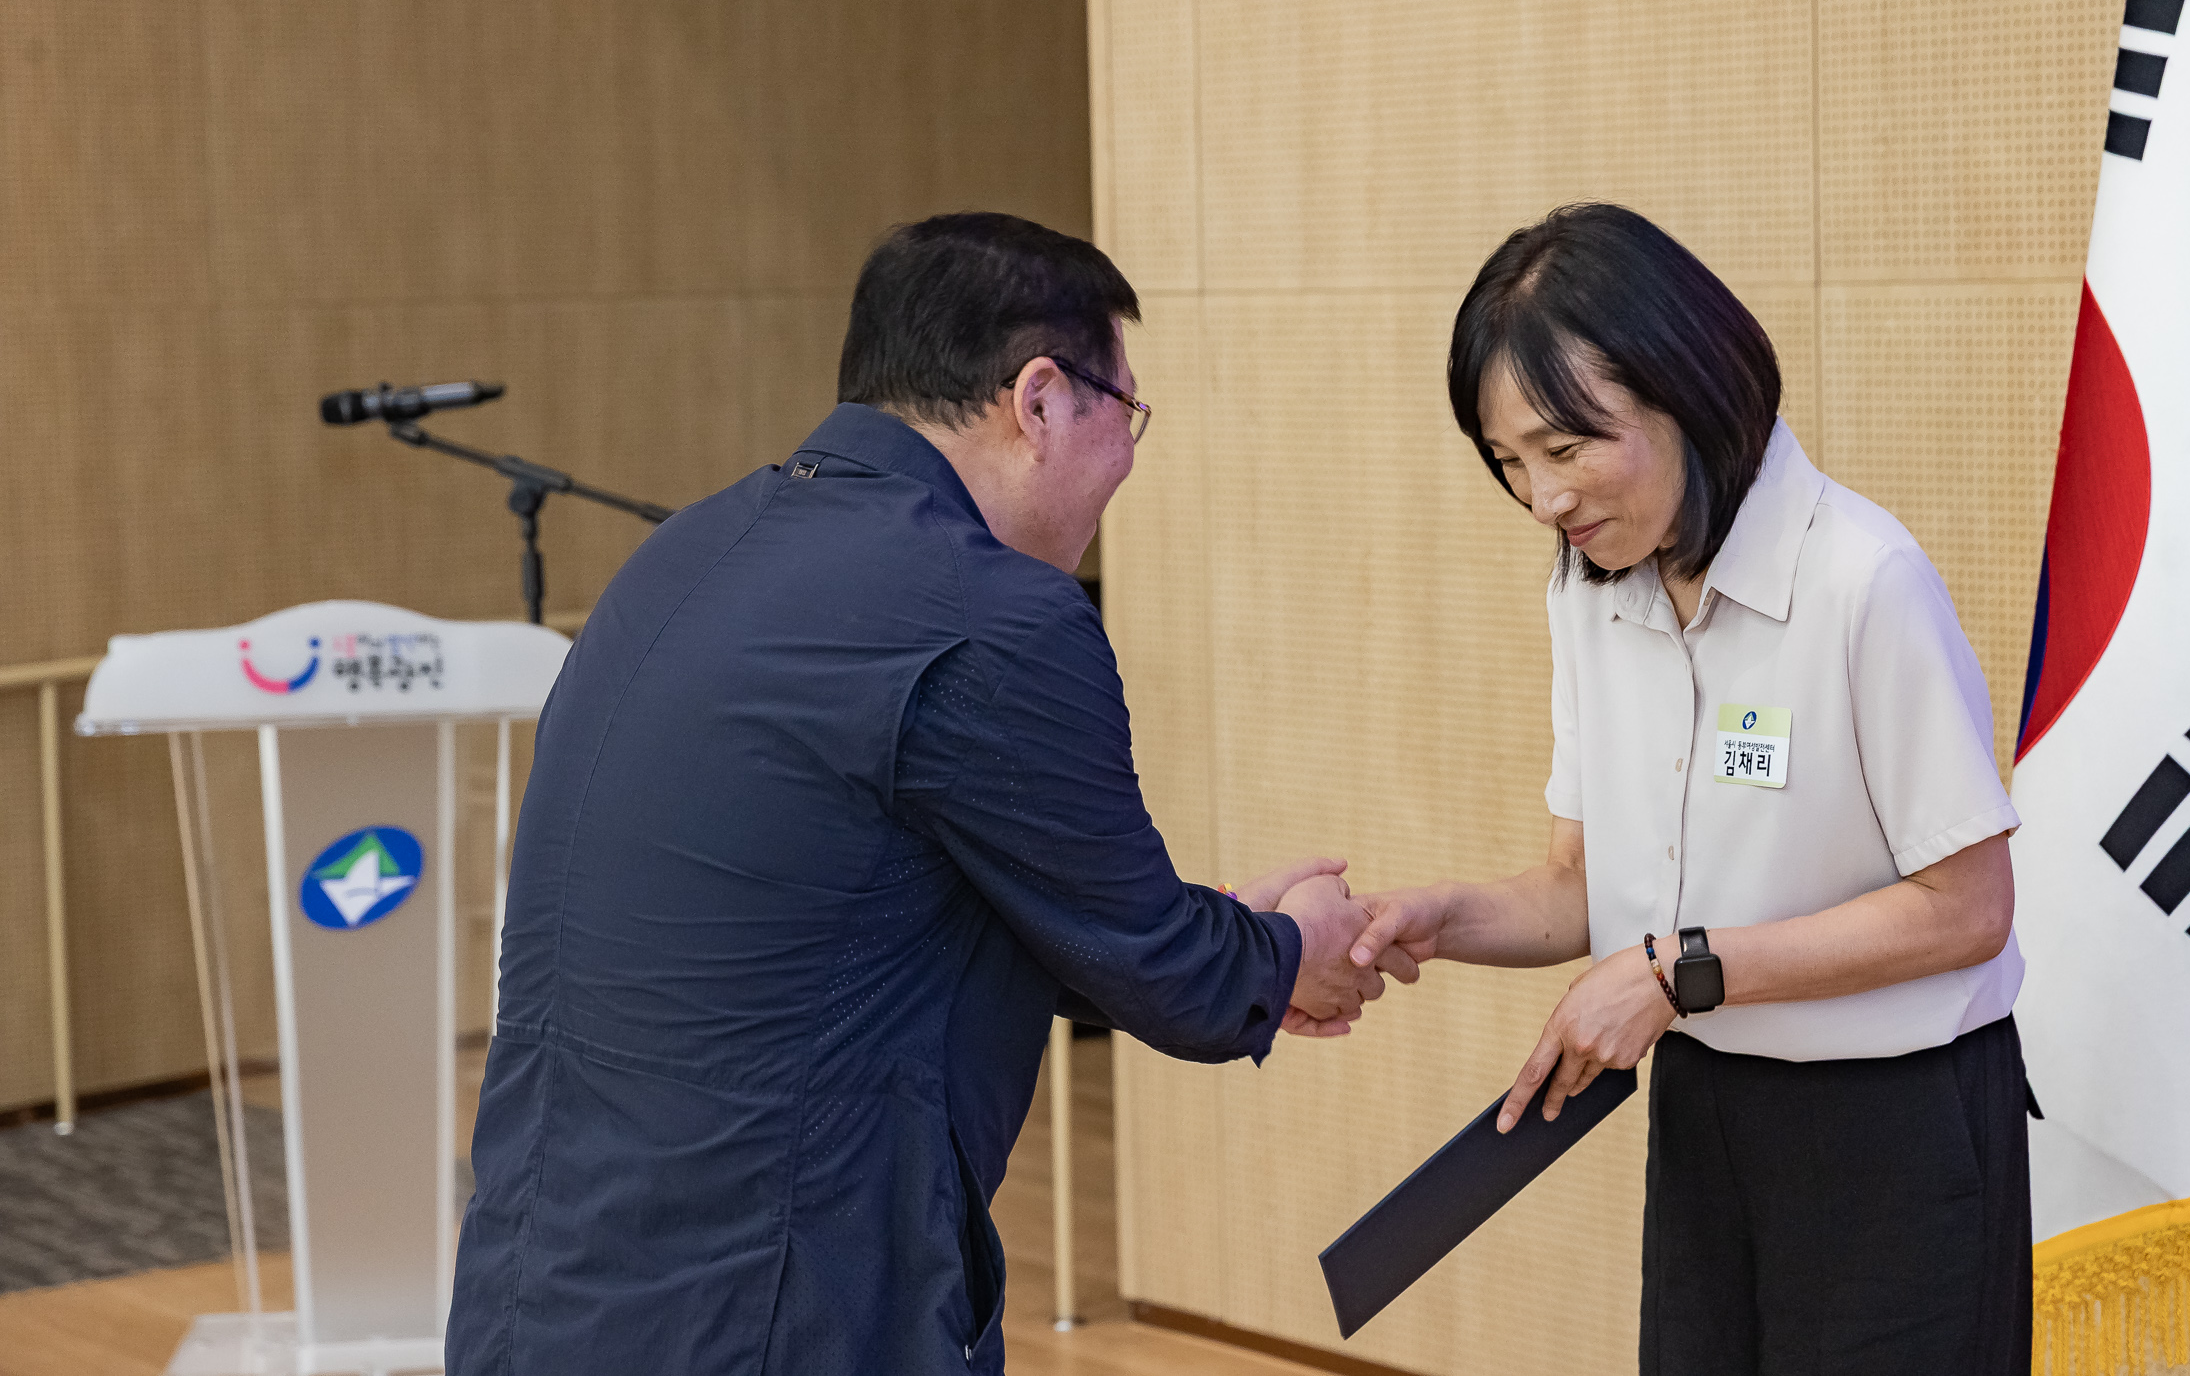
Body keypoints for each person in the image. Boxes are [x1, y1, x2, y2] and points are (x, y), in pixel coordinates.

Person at [448, 213, 1398, 1376]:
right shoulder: (997, 616)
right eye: (1126, 412)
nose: (1130, 456)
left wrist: (1212, 928)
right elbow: (1166, 970)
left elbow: (853, 915)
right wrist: (1289, 943)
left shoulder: (681, 556)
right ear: (1039, 398)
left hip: (536, 1290)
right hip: (770, 1315)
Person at [1348, 203, 2031, 1375]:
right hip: (1711, 1104)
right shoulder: (1588, 592)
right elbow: (1584, 886)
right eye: (1510, 461)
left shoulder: (1863, 580)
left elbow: (1967, 907)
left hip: (1897, 1132)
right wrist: (1443, 919)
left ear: (1688, 389)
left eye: (1566, 450)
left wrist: (1679, 972)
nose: (1543, 500)